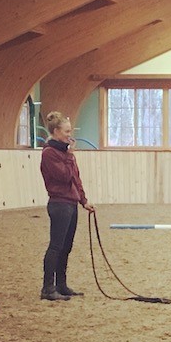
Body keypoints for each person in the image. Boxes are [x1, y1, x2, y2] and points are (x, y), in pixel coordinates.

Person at [40, 111, 95, 301]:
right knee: (56, 246)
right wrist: (69, 156)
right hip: (59, 204)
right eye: (66, 131)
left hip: (70, 203)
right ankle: (48, 287)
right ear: (56, 131)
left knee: (66, 247)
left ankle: (61, 284)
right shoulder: (49, 153)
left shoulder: (65, 154)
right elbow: (63, 177)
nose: (70, 135)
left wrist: (84, 200)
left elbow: (76, 179)